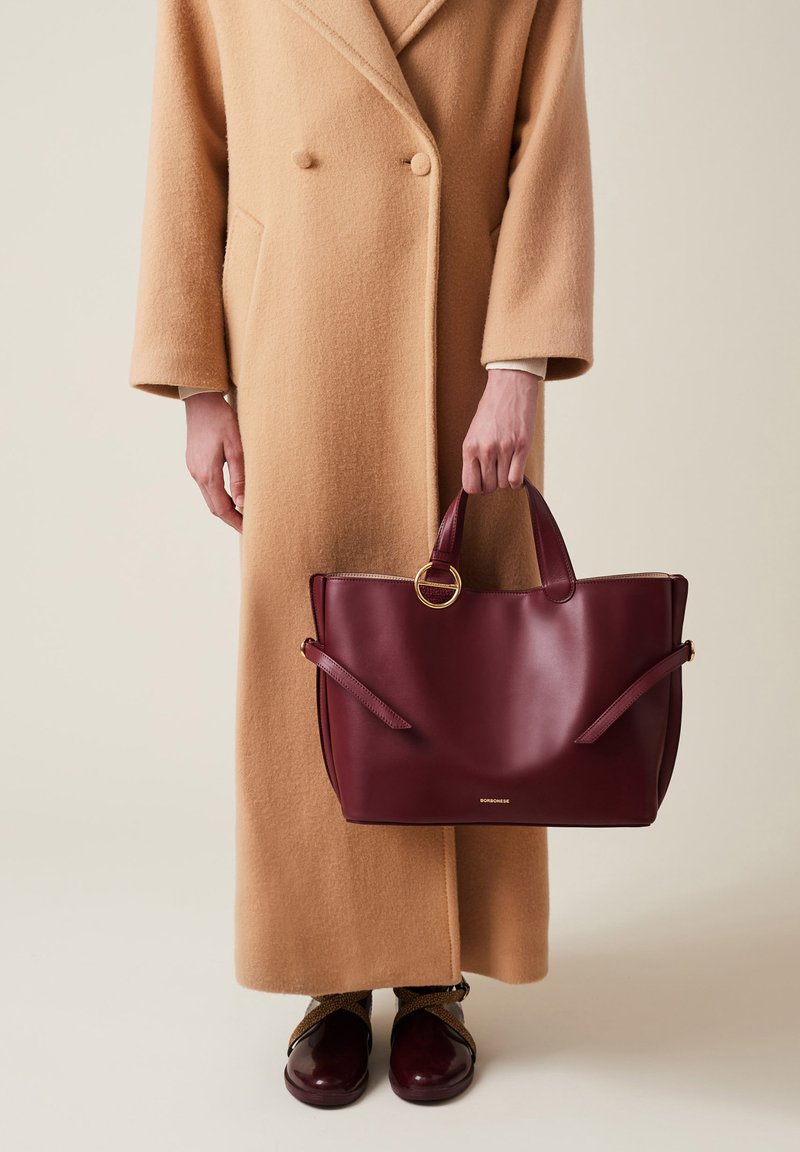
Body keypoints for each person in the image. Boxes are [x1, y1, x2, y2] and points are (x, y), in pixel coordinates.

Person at [129, 0, 593, 1107]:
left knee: (457, 655)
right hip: (293, 345)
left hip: (456, 354)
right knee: (312, 661)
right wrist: (200, 385)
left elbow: (548, 146)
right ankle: (329, 980)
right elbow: (188, 149)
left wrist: (518, 363)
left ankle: (433, 978)